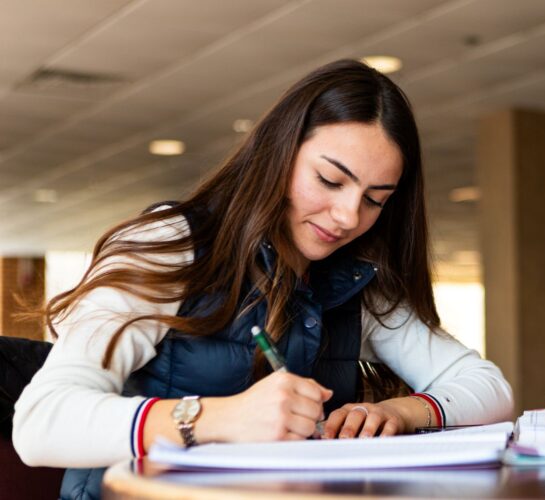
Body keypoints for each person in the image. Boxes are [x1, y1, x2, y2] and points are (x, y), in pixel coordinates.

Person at [13, 59, 513, 499]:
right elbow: (41, 423)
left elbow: (489, 387)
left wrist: (402, 413)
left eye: (375, 199)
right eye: (330, 180)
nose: (347, 216)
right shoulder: (168, 246)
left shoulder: (357, 280)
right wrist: (220, 418)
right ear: (279, 152)